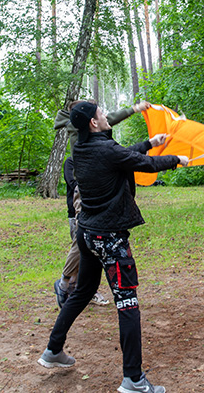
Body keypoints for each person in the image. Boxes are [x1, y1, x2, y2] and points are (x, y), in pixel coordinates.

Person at [38, 101, 189, 393]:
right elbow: (143, 164)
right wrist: (177, 159)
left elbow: (122, 156)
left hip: (87, 234)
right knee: (128, 304)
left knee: (82, 292)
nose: (106, 116)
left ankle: (53, 350)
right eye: (101, 114)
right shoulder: (105, 149)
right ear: (93, 123)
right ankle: (133, 379)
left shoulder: (81, 149)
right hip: (110, 240)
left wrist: (150, 143)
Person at [53, 100, 150, 307]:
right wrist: (134, 109)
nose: (103, 115)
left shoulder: (87, 132)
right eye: (97, 113)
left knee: (93, 241)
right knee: (84, 239)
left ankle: (83, 288)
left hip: (97, 189)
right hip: (87, 192)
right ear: (89, 121)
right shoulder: (77, 128)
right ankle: (65, 283)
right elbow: (111, 119)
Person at [53, 156, 109, 308]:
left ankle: (85, 289)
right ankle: (65, 284)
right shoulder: (71, 161)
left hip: (94, 214)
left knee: (91, 252)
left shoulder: (97, 158)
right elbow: (73, 184)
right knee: (79, 248)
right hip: (77, 213)